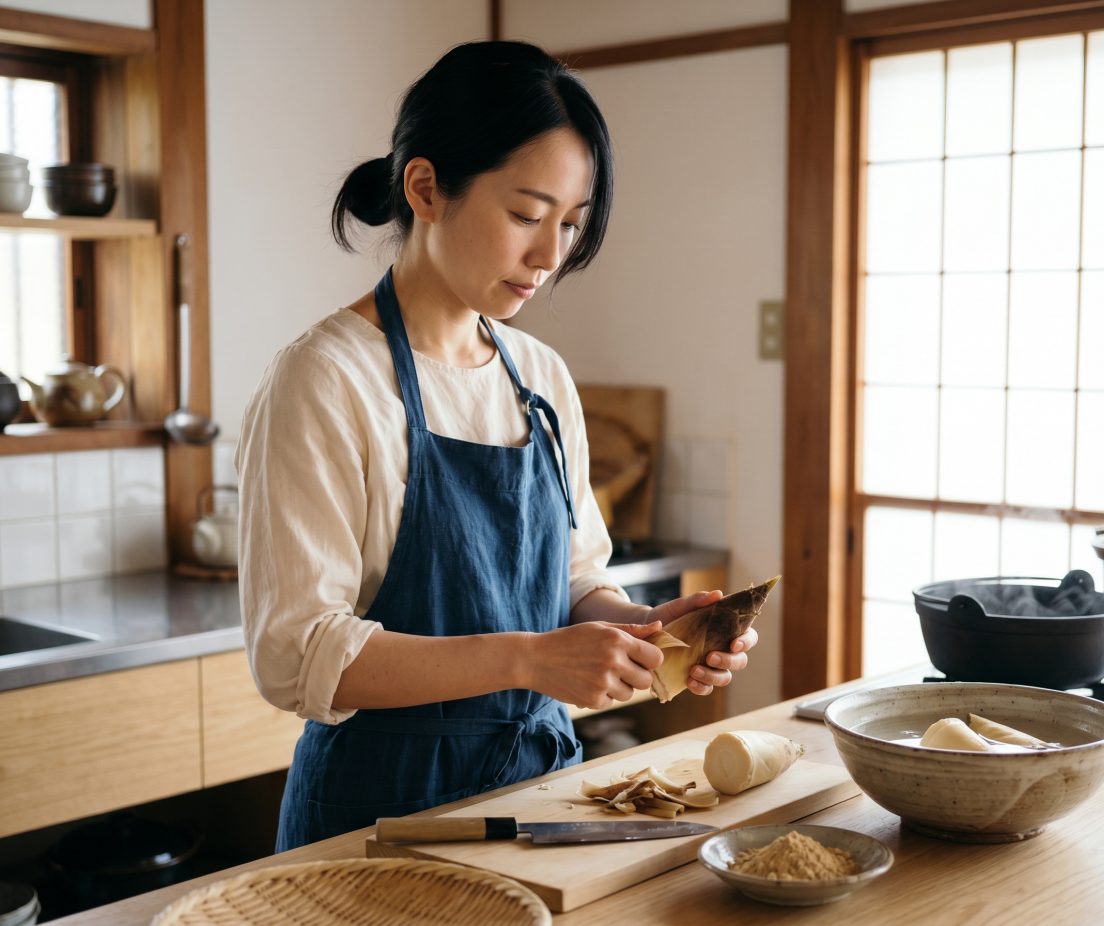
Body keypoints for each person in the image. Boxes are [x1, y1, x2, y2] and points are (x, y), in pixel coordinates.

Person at [235, 40, 758, 852]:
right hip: (378, 820)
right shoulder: (326, 379)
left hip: (540, 803)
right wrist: (531, 660)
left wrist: (647, 631)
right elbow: (300, 655)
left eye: (570, 225)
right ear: (426, 187)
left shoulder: (541, 377)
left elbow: (577, 579)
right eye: (525, 215)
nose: (549, 258)